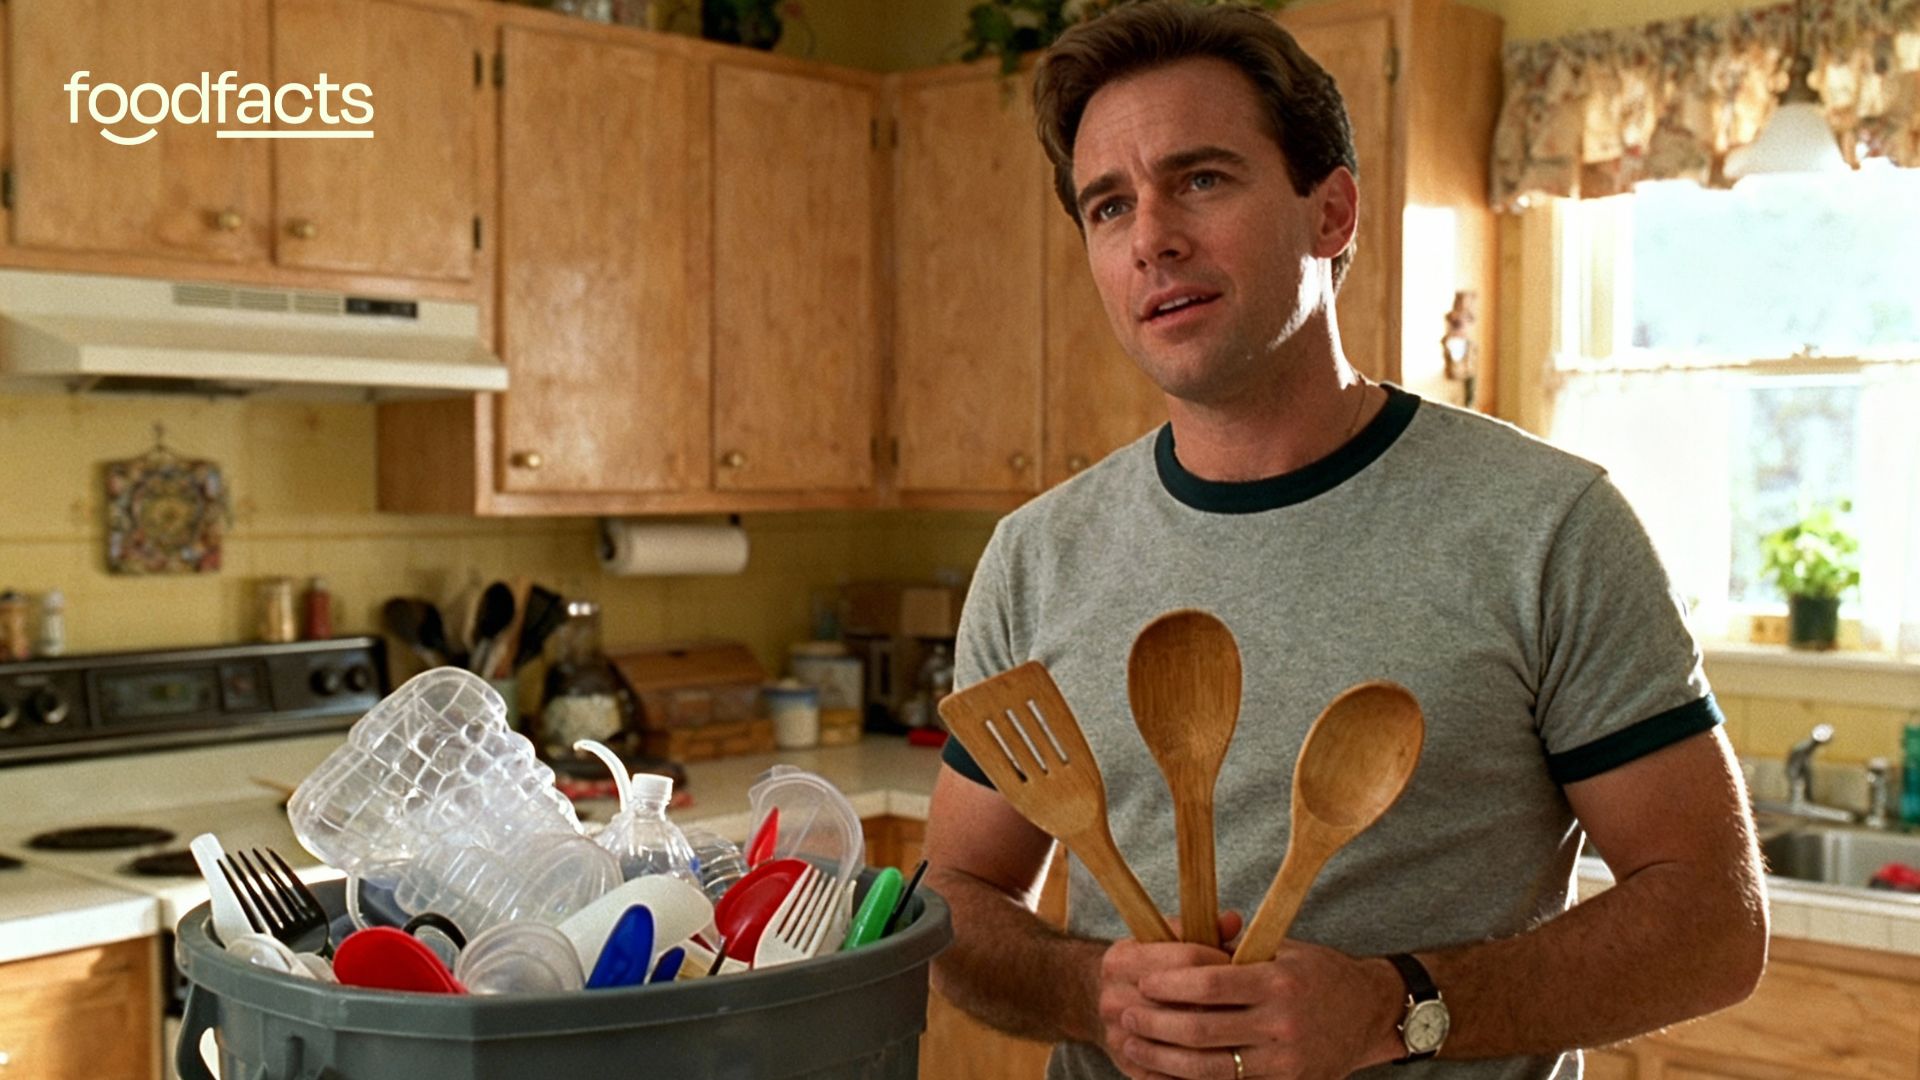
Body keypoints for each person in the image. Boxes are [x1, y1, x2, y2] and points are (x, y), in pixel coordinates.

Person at [920, 4, 1769, 1079]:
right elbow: (958, 896)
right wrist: (1089, 993)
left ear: (1333, 213)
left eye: (1202, 179)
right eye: (1108, 206)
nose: (1151, 239)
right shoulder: (1037, 558)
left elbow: (1713, 921)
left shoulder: (1546, 529)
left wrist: (1397, 1005)